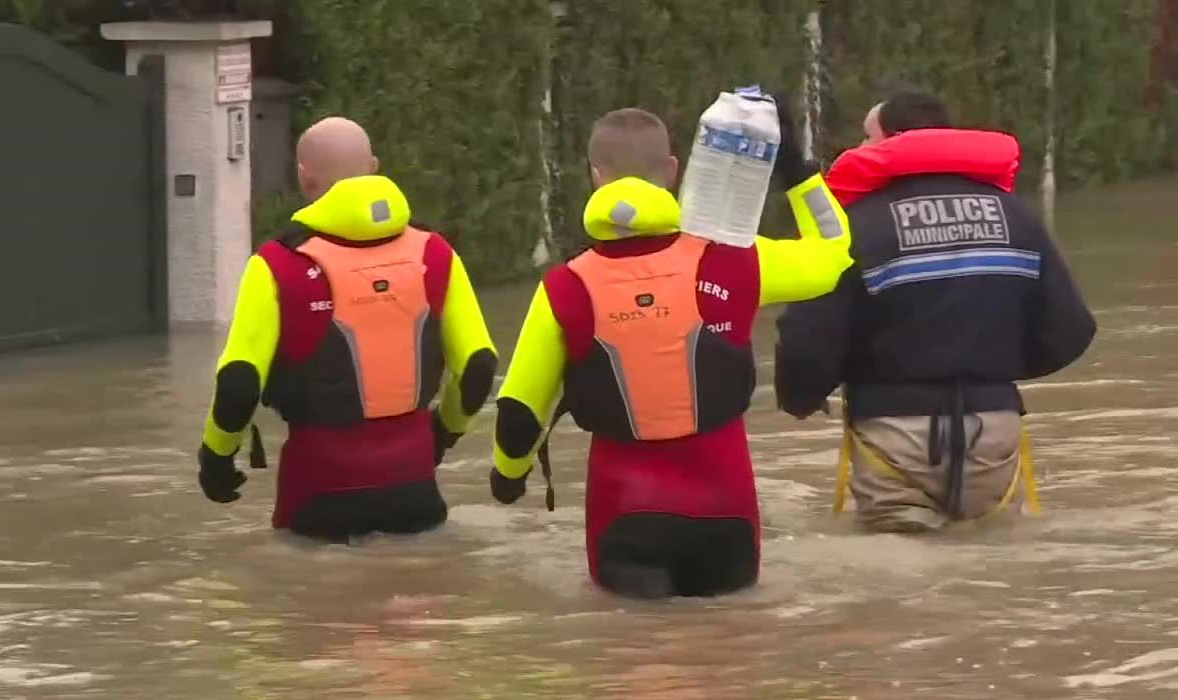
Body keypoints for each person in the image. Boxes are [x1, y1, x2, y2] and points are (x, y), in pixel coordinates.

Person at [488, 104, 854, 598]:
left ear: (596, 175)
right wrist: (796, 171)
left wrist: (508, 479)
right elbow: (836, 254)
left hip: (625, 518)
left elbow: (518, 413)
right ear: (673, 172)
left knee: (639, 660)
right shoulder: (737, 261)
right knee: (730, 653)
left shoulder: (564, 287)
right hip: (728, 519)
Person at [774, 89, 1096, 532]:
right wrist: (990, 374)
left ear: (892, 141)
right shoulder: (1016, 216)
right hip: (995, 432)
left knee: (899, 582)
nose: (861, 149)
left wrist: (801, 396)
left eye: (868, 138)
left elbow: (809, 339)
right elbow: (1071, 330)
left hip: (893, 434)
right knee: (995, 572)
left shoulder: (855, 224)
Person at [196, 117, 498, 542]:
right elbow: (479, 365)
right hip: (415, 490)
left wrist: (217, 458)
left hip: (317, 497)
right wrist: (441, 435)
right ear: (374, 166)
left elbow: (239, 382)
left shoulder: (276, 264)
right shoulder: (436, 253)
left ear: (304, 179)